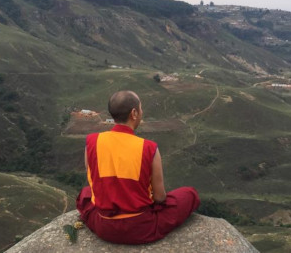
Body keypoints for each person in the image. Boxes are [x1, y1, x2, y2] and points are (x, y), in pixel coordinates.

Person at [76, 90, 200, 244]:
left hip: (103, 225)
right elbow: (160, 197)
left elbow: (94, 183)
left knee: (85, 194)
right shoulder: (149, 147)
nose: (142, 112)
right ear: (134, 113)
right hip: (140, 228)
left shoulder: (92, 142)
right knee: (190, 194)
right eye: (141, 108)